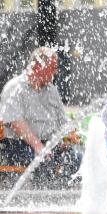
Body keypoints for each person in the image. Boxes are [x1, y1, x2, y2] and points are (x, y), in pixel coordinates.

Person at [0, 47, 81, 188]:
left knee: (76, 158)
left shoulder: (52, 90)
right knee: (44, 160)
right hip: (18, 144)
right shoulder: (15, 88)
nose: (56, 72)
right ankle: (41, 199)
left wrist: (67, 137)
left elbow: (62, 120)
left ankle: (62, 197)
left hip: (48, 143)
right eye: (52, 67)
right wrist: (38, 146)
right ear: (38, 66)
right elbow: (15, 122)